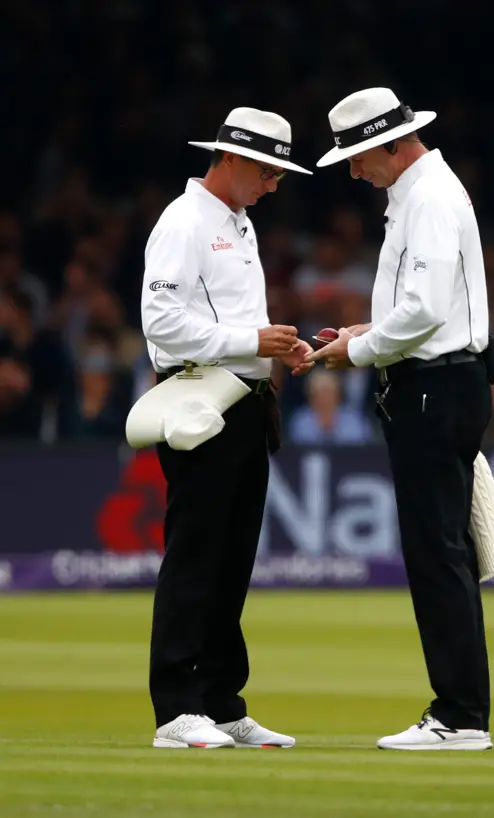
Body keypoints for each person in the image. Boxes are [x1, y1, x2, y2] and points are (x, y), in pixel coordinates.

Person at [308, 87, 494, 750]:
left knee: (436, 551)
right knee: (437, 549)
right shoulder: (421, 194)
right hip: (437, 383)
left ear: (392, 142)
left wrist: (356, 349)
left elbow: (425, 315)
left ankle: (460, 717)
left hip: (434, 389)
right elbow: (424, 307)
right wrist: (364, 331)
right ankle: (460, 711)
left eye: (358, 156)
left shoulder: (431, 198)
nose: (354, 171)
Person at [141, 107, 314, 750]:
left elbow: (233, 322)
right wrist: (252, 339)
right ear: (234, 159)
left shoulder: (238, 224)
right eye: (269, 172)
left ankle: (219, 701)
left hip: (243, 403)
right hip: (194, 402)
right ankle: (175, 710)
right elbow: (160, 323)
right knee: (196, 556)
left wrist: (276, 351)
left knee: (233, 557)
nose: (274, 186)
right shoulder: (182, 222)